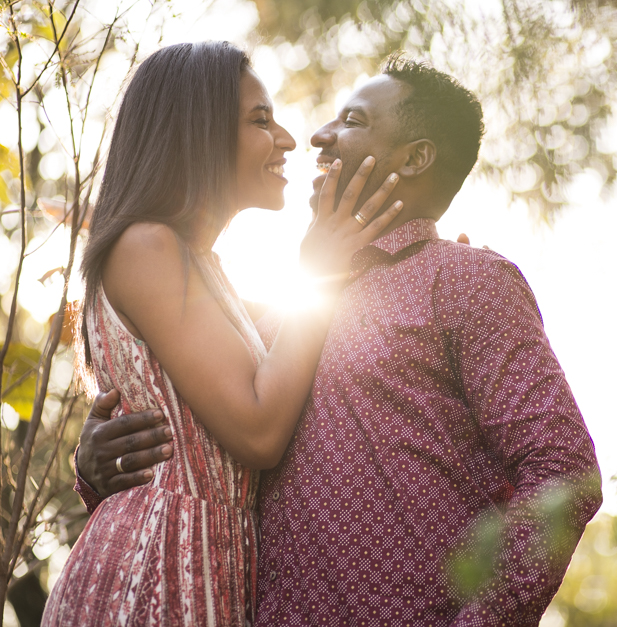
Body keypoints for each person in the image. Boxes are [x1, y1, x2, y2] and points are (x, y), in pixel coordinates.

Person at [74, 55, 603, 626]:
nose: (316, 136)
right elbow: (188, 416)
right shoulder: (275, 319)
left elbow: (563, 467)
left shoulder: (465, 280)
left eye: (351, 120)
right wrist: (94, 465)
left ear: (415, 157)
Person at [42, 41, 402, 627]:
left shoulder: (203, 271)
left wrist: (420, 267)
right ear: (197, 131)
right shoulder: (146, 247)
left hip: (205, 574)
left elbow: (298, 343)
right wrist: (318, 269)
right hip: (150, 581)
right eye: (260, 120)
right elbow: (259, 429)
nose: (287, 139)